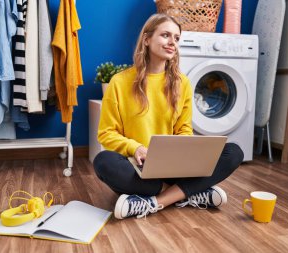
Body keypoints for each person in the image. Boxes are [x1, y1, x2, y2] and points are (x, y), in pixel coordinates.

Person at [93, 14, 244, 219]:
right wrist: (135, 148)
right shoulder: (119, 82)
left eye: (176, 38)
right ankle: (189, 192)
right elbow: (106, 133)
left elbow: (184, 129)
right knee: (103, 161)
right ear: (146, 39)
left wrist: (182, 151)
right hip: (138, 166)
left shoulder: (182, 83)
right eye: (165, 35)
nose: (172, 42)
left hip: (174, 165)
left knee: (233, 152)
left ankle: (155, 201)